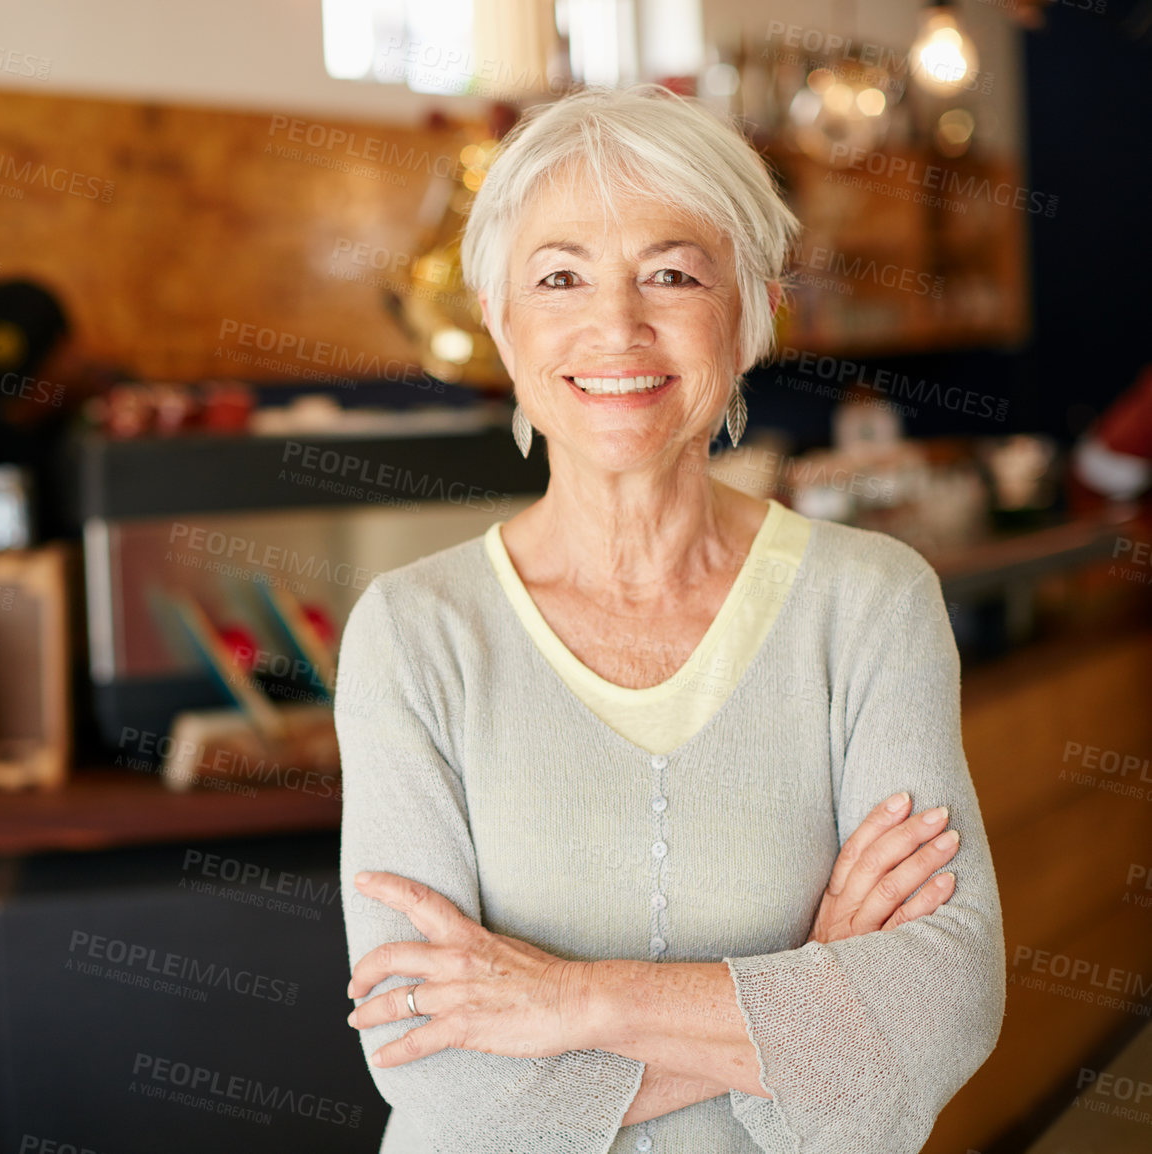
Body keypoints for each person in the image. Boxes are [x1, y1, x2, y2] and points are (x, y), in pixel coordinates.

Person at [336, 84, 1005, 1153]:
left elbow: (943, 1005)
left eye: (672, 273)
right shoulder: (412, 634)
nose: (616, 326)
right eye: (558, 276)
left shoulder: (871, 602)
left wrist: (570, 1000)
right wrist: (807, 996)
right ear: (500, 322)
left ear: (750, 310)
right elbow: (442, 1072)